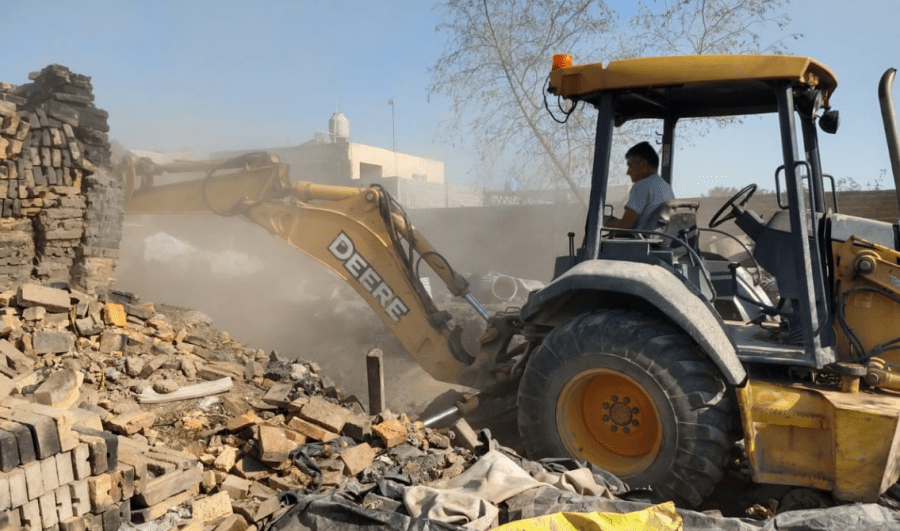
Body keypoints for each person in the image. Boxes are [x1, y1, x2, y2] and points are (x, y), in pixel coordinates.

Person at [605, 141, 675, 230]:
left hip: (642, 238)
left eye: (630, 166)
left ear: (643, 165)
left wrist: (604, 221)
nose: (627, 172)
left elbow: (625, 227)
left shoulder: (642, 186)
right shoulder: (666, 187)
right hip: (660, 236)